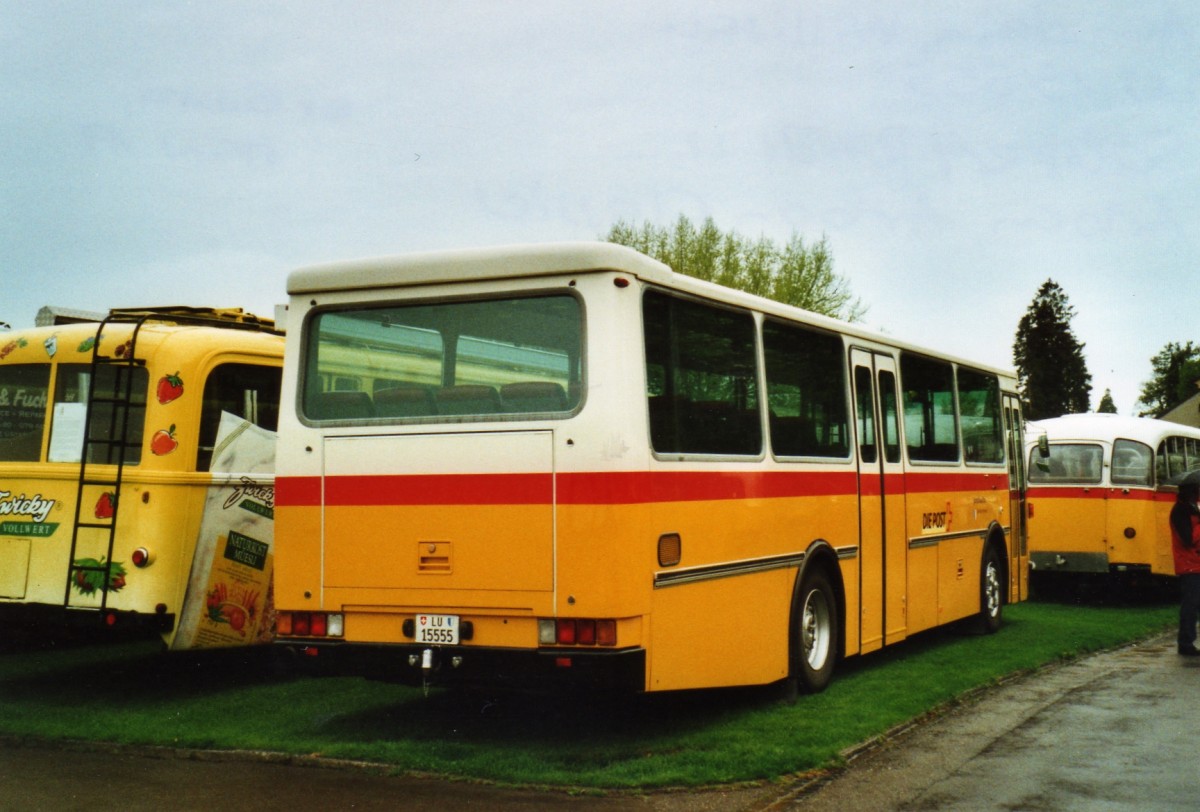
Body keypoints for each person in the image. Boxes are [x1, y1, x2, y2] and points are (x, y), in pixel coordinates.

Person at [1170, 481, 1200, 656]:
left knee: (1192, 603)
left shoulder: (1190, 509)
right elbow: (1187, 539)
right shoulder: (1180, 512)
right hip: (1189, 564)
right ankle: (1185, 643)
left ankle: (1187, 640)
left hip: (1195, 563)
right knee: (1190, 603)